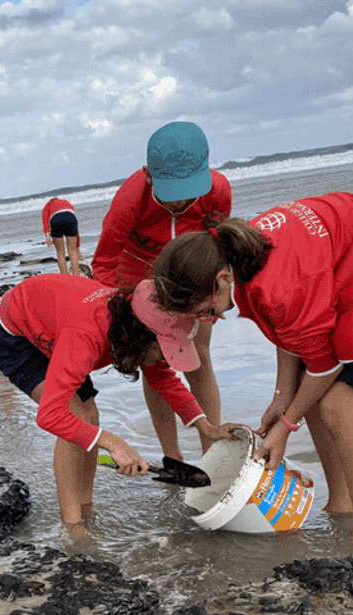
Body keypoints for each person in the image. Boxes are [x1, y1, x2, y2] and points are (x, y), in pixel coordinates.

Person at [150, 192, 353, 538]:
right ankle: (342, 505)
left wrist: (286, 425)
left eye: (205, 310)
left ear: (220, 281)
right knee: (311, 398)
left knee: (340, 407)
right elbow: (290, 331)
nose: (208, 319)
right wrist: (283, 395)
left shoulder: (277, 285)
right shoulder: (241, 254)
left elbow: (324, 364)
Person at [0, 273, 232, 530]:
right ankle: (74, 526)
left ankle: (86, 504)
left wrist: (206, 427)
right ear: (142, 335)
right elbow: (50, 415)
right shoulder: (87, 336)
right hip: (15, 333)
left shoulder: (137, 326)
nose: (167, 358)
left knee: (90, 416)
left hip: (56, 325)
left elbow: (165, 380)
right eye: (165, 350)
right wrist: (114, 443)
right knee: (77, 415)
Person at [91, 120, 233, 464]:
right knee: (154, 359)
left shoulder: (218, 191)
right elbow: (103, 263)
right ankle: (173, 456)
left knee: (197, 356)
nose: (182, 202)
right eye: (172, 193)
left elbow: (217, 247)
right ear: (148, 174)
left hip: (187, 272)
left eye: (189, 190)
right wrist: (120, 314)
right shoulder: (129, 200)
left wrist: (212, 300)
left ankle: (211, 451)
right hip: (136, 271)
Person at [41, 197, 85, 275]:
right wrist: (77, 248)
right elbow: (76, 230)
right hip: (70, 216)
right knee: (72, 250)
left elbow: (45, 220)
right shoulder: (67, 202)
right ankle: (76, 276)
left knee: (60, 252)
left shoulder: (48, 205)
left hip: (56, 219)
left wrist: (47, 235)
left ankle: (64, 276)